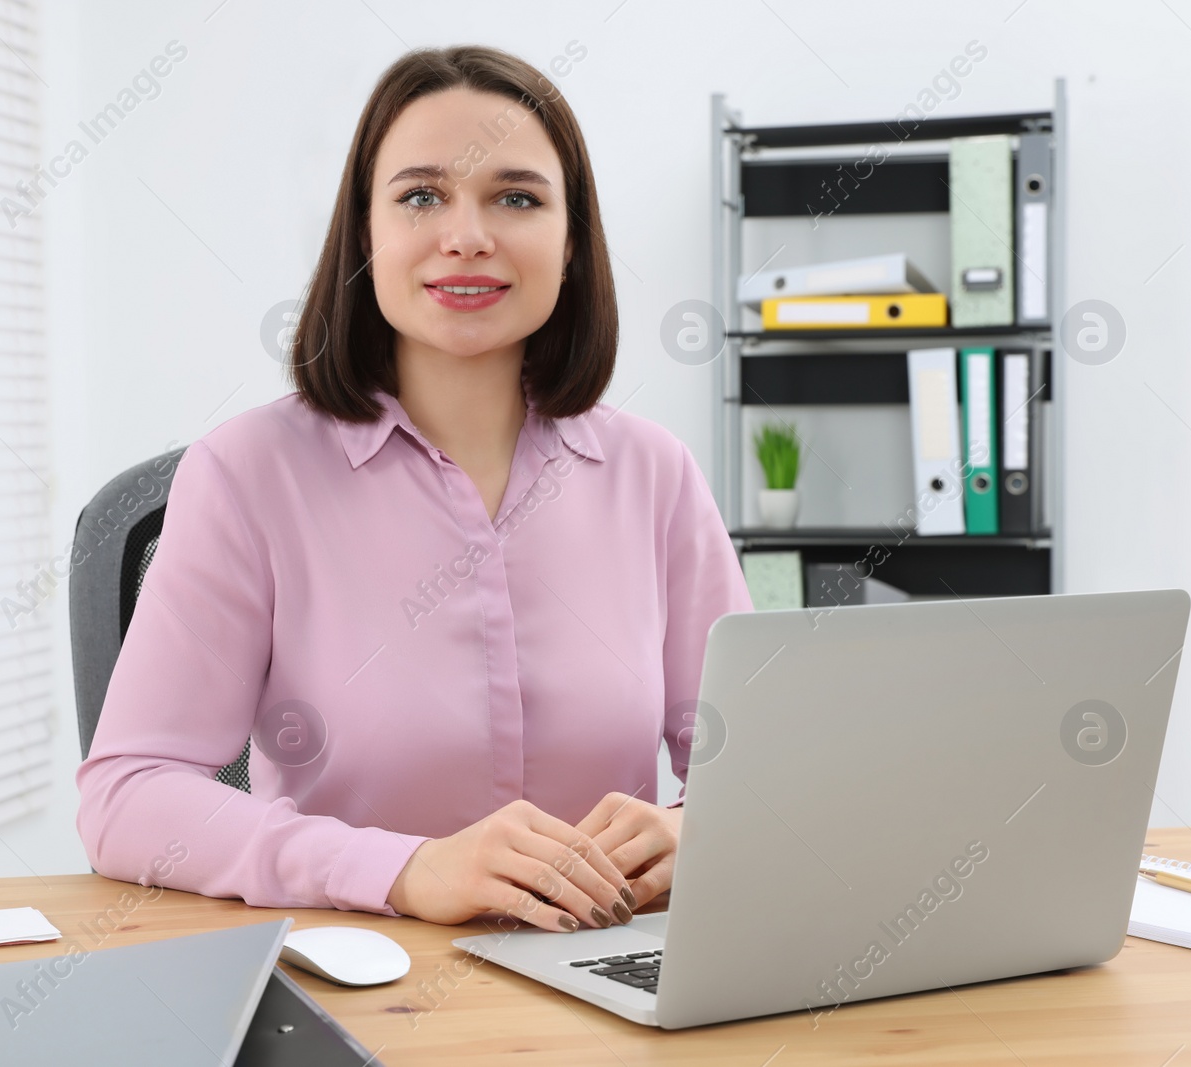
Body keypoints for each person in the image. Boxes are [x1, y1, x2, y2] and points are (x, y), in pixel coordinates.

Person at [76, 44, 751, 934]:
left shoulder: (654, 475)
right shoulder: (248, 475)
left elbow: (765, 777)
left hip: (611, 990)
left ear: (572, 237)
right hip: (369, 978)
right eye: (421, 196)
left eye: (517, 197)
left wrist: (695, 832)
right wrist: (403, 868)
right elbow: (128, 794)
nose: (466, 234)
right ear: (366, 232)